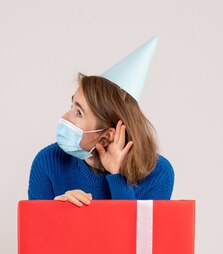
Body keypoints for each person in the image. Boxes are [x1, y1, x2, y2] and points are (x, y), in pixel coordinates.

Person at [28, 37, 174, 206]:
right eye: (72, 106)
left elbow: (135, 233)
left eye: (79, 113)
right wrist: (59, 214)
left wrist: (118, 178)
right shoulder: (47, 161)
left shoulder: (158, 173)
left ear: (106, 137)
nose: (65, 117)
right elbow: (35, 232)